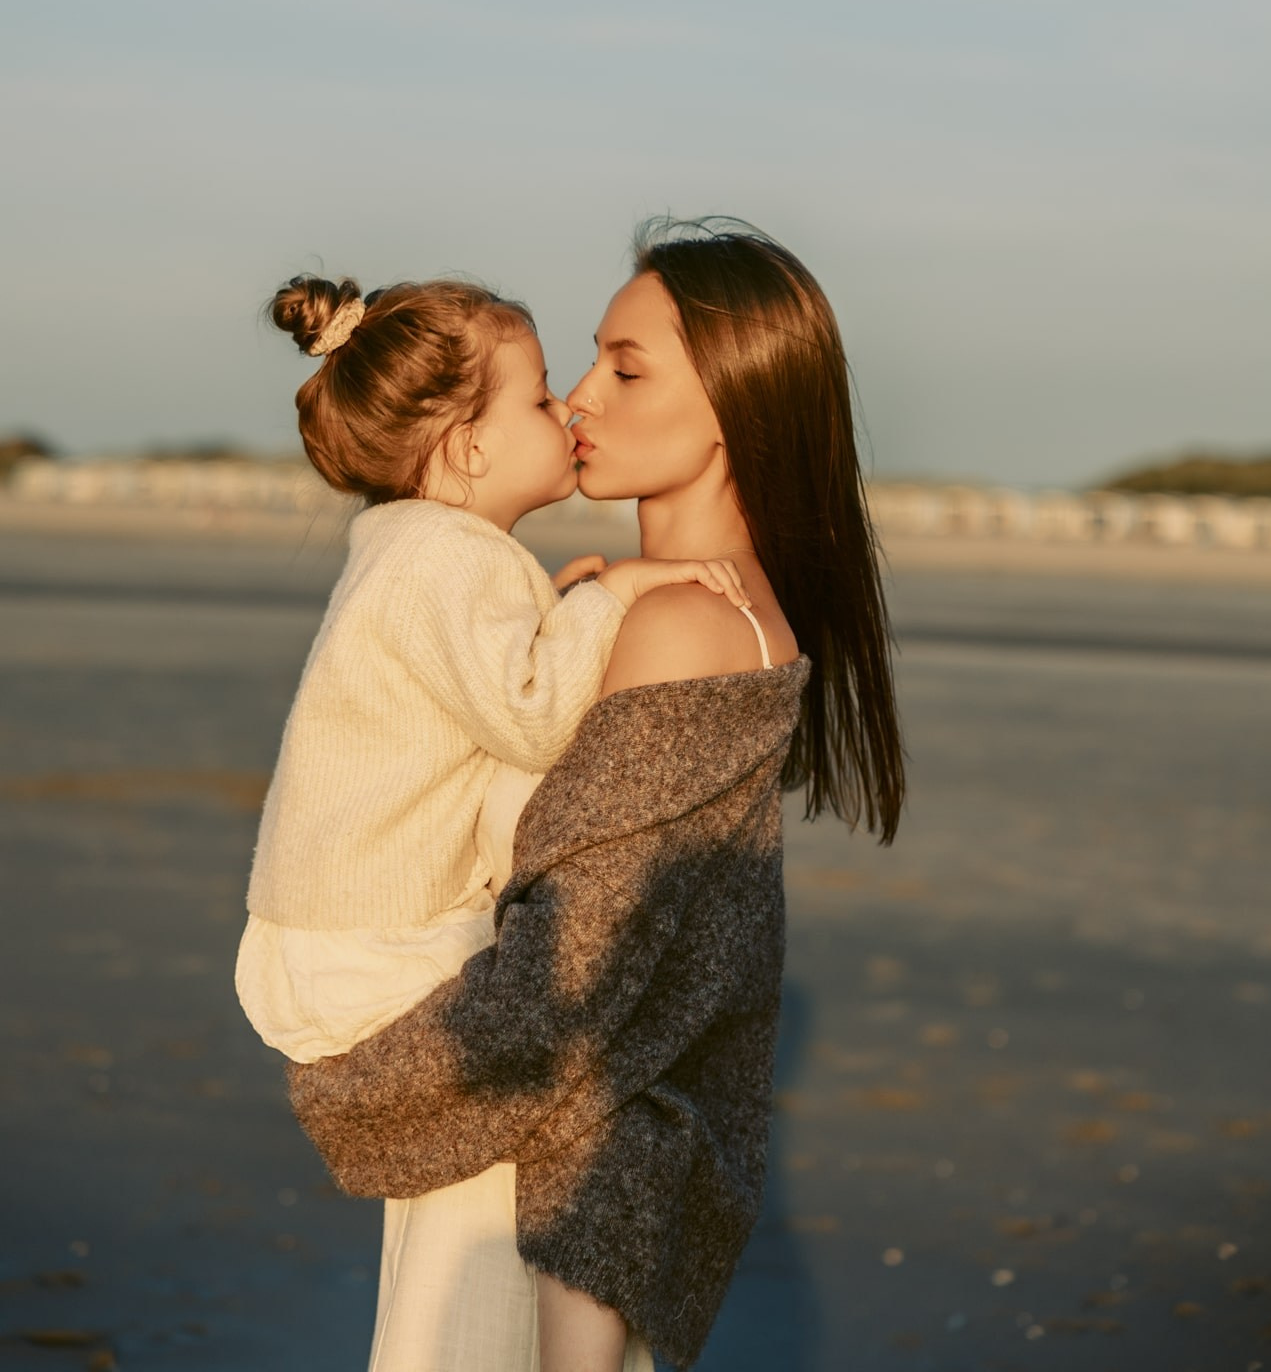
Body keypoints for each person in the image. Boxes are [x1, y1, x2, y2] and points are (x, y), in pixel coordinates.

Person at [288, 221, 905, 1372]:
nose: (578, 397)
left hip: (516, 1152)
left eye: (624, 369)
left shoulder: (677, 626)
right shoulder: (727, 615)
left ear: (734, 400)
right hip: (572, 1164)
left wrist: (358, 1092)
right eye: (586, 362)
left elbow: (576, 966)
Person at [235, 272, 752, 1361]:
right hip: (376, 944)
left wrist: (567, 607)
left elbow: (499, 706)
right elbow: (528, 719)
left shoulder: (417, 553)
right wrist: (616, 595)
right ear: (467, 448)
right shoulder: (443, 559)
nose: (564, 406)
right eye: (530, 399)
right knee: (538, 1109)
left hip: (343, 936)